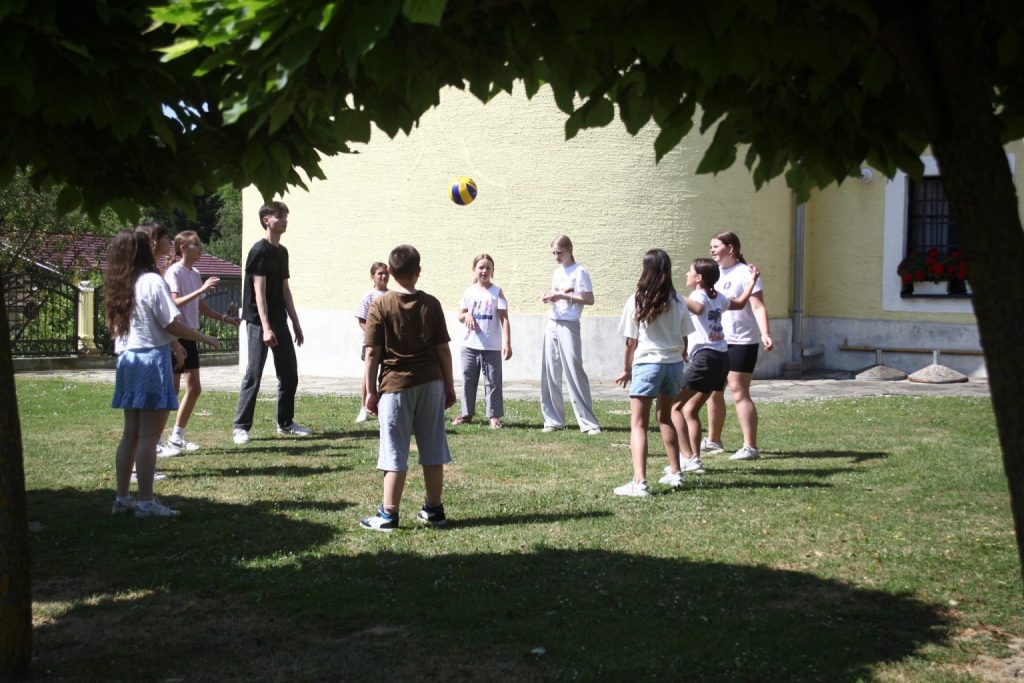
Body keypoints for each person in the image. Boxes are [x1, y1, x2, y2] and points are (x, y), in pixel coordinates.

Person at [105, 229, 220, 517]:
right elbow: (170, 322)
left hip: (127, 359)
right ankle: (146, 503)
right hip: (150, 361)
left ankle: (122, 499)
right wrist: (203, 338)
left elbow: (147, 324)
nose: (161, 245)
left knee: (130, 434)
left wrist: (175, 346)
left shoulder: (122, 283)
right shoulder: (152, 281)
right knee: (148, 437)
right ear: (144, 250)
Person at [360, 244, 456, 531]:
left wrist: (370, 391)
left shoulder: (381, 305)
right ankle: (434, 509)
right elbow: (443, 350)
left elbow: (372, 353)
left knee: (394, 449)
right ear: (418, 271)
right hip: (431, 382)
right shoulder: (431, 304)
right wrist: (449, 386)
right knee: (433, 446)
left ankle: (388, 514)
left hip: (395, 386)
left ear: (390, 271)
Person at [613, 249, 694, 497]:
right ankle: (676, 472)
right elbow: (685, 337)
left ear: (646, 269)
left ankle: (639, 482)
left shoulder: (637, 299)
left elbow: (631, 341)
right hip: (673, 365)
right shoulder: (678, 300)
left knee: (638, 424)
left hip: (647, 364)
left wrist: (627, 368)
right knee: (666, 418)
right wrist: (681, 354)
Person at [232, 201, 310, 445]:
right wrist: (265, 328)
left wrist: (295, 322)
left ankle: (285, 423)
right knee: (253, 374)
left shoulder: (282, 252)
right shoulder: (259, 251)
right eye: (280, 216)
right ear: (267, 220)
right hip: (258, 322)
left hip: (279, 320)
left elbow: (285, 289)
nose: (285, 220)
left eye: (286, 216)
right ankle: (240, 427)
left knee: (289, 373)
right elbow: (259, 292)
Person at [672, 258, 759, 468]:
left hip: (705, 358)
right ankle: (694, 459)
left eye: (690, 271)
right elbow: (740, 303)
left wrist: (671, 293)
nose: (686, 274)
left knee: (672, 407)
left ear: (699, 278)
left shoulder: (698, 295)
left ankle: (687, 457)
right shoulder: (718, 296)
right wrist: (752, 282)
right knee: (690, 410)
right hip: (721, 359)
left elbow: (698, 308)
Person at [162, 230, 241, 451]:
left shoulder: (195, 273)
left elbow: (201, 307)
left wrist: (225, 318)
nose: (200, 248)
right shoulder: (174, 272)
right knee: (172, 391)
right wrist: (202, 289)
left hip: (190, 335)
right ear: (182, 248)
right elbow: (174, 303)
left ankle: (177, 436)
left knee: (194, 388)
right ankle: (156, 440)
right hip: (175, 336)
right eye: (195, 244)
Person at [703, 232, 774, 461]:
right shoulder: (713, 274)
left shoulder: (746, 273)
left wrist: (765, 333)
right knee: (713, 391)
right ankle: (713, 441)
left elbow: (758, 306)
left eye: (716, 246)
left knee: (739, 391)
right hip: (717, 341)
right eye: (711, 247)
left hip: (742, 341)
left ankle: (750, 447)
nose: (712, 250)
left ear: (731, 248)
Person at [539, 235, 601, 435]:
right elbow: (559, 297)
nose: (556, 257)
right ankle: (553, 420)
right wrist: (550, 297)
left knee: (574, 370)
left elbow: (589, 299)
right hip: (553, 322)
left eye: (559, 252)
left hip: (569, 324)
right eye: (553, 253)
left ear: (569, 250)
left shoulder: (580, 271)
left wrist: (562, 295)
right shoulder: (557, 272)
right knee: (550, 371)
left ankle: (588, 423)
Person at [452, 254, 512, 429]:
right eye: (481, 267)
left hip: (491, 346)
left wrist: (507, 343)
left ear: (492, 270)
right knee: (468, 380)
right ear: (474, 270)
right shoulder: (468, 292)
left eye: (488, 268)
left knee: (493, 381)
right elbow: (460, 315)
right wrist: (466, 315)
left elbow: (504, 319)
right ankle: (466, 414)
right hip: (469, 345)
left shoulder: (497, 292)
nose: (484, 271)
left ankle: (493, 415)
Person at [354, 261, 390, 423]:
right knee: (369, 375)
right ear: (372, 277)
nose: (383, 276)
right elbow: (362, 320)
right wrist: (373, 335)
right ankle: (365, 408)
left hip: (388, 343)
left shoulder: (392, 295)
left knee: (386, 375)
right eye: (380, 273)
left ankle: (383, 406)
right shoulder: (368, 296)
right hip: (372, 343)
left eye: (386, 273)